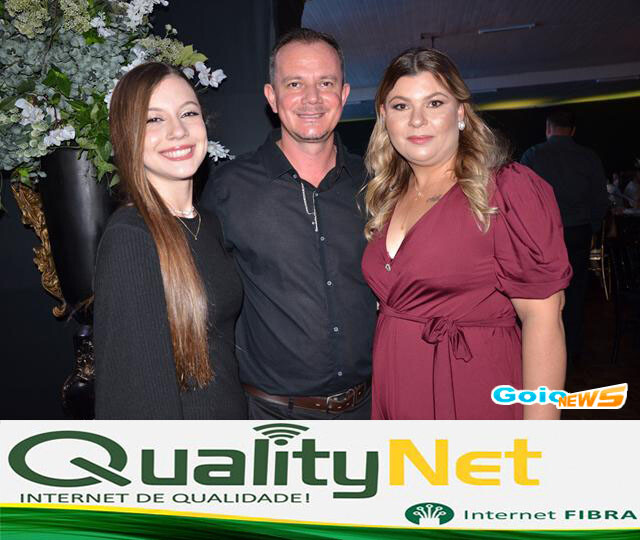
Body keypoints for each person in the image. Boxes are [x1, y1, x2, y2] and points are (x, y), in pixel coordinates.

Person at [361, 48, 572, 420]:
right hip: (397, 387)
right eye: (401, 106)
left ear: (460, 113)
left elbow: (543, 320)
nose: (417, 120)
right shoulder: (388, 196)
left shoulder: (505, 189)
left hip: (471, 387)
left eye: (434, 103)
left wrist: (539, 440)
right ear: (384, 116)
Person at [200, 28, 377, 420]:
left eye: (325, 83)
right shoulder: (229, 188)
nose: (312, 98)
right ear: (272, 96)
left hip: (369, 412)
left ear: (344, 94)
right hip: (272, 417)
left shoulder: (374, 185)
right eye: (295, 84)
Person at [94, 62, 247, 419]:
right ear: (127, 136)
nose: (178, 131)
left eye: (188, 113)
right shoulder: (131, 238)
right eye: (154, 119)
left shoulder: (208, 224)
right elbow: (136, 403)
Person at [521, 110, 608, 363]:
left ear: (548, 128)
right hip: (578, 231)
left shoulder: (533, 155)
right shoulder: (588, 157)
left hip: (543, 237)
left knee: (543, 294)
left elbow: (520, 199)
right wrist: (592, 227)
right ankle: (572, 347)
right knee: (576, 292)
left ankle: (544, 351)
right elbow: (600, 199)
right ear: (573, 130)